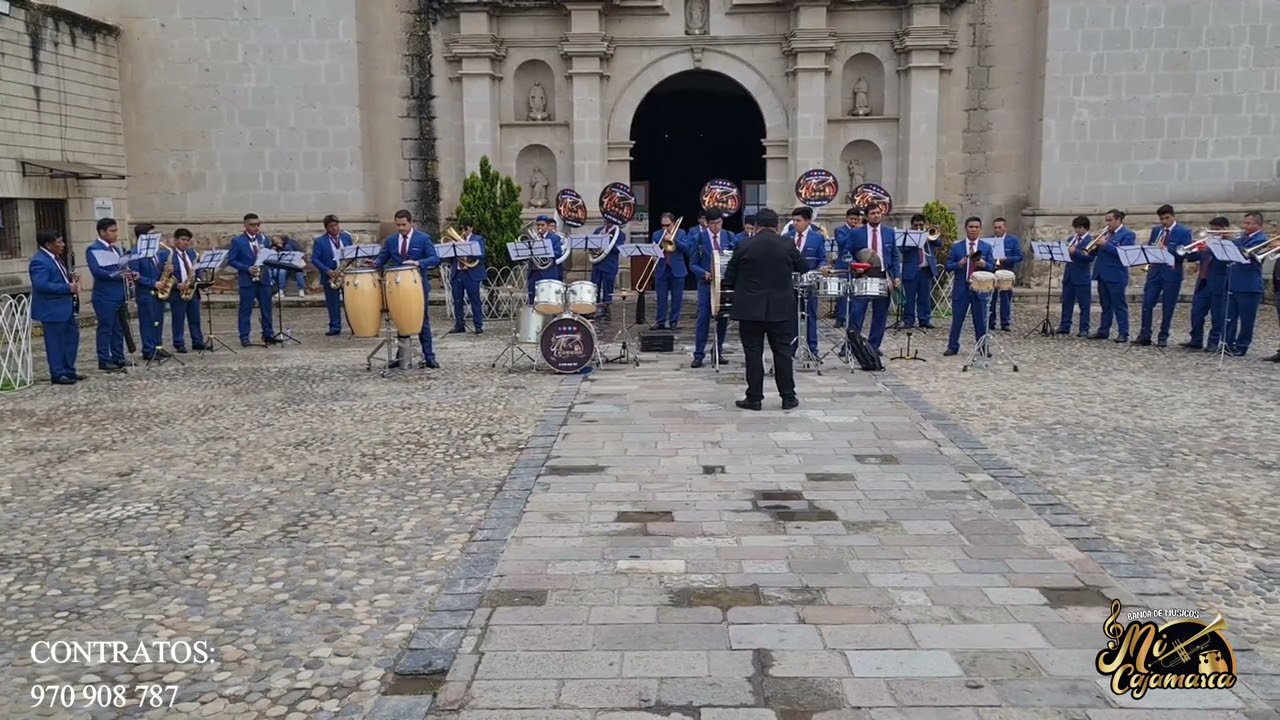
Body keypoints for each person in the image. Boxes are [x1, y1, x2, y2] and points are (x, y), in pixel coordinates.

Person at [724, 209, 808, 411]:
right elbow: (803, 267)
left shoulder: (744, 244)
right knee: (782, 353)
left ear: (757, 225)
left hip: (750, 308)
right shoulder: (787, 244)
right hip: (781, 308)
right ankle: (788, 397)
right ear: (776, 226)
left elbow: (729, 277)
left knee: (753, 353)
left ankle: (754, 398)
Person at [375, 209, 440, 368]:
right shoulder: (391, 240)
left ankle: (429, 356)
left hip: (417, 285)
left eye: (403, 225)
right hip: (397, 286)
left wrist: (418, 263)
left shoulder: (423, 238)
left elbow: (435, 258)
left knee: (422, 319)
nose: (401, 228)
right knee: (400, 318)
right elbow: (381, 259)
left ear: (411, 223)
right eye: (398, 225)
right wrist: (374, 263)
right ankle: (402, 355)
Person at [29, 230, 83, 384]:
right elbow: (41, 285)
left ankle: (68, 369)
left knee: (71, 338)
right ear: (48, 244)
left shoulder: (55, 258)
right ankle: (58, 373)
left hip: (65, 307)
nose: (63, 245)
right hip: (52, 309)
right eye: (59, 242)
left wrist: (70, 278)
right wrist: (67, 287)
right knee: (55, 342)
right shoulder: (39, 261)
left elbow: (56, 278)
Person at [1135, 204, 1192, 347]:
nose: (1164, 222)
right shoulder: (1156, 230)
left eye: (1167, 218)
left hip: (1172, 273)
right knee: (1147, 303)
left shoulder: (1183, 231)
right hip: (1155, 271)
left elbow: (1185, 253)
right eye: (1162, 219)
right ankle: (1145, 334)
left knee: (1168, 306)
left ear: (1173, 216)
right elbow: (1151, 247)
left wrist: (1167, 248)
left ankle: (1163, 336)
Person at [845, 204, 900, 352]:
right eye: (873, 213)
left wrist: (897, 275)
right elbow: (847, 253)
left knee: (880, 313)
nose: (876, 215)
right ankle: (851, 344)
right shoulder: (857, 233)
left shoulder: (889, 232)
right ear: (866, 216)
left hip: (882, 275)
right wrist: (854, 265)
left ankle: (873, 346)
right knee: (857, 311)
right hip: (863, 275)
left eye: (878, 213)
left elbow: (894, 255)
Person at [944, 217, 996, 356]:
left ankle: (983, 347)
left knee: (980, 320)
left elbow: (992, 268)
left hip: (979, 288)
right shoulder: (957, 247)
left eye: (976, 227)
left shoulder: (986, 247)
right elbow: (947, 266)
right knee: (957, 319)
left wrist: (984, 264)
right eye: (971, 227)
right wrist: (959, 264)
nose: (973, 229)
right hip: (962, 287)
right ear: (966, 228)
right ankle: (952, 346)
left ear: (980, 229)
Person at [689, 209, 735, 367]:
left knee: (722, 317)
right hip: (706, 285)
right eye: (713, 224)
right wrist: (704, 273)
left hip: (724, 284)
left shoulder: (729, 236)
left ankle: (717, 350)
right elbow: (693, 264)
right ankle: (698, 354)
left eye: (719, 223)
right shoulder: (699, 238)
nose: (716, 227)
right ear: (707, 223)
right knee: (703, 318)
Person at [85, 217, 131, 371]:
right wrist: (119, 274)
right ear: (102, 232)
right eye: (112, 231)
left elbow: (121, 267)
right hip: (105, 295)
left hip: (119, 293)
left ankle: (118, 356)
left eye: (116, 230)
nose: (115, 234)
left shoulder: (116, 249)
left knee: (119, 327)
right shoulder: (94, 249)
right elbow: (97, 272)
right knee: (106, 327)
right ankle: (104, 358)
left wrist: (129, 272)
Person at [227, 213, 279, 346]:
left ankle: (268, 334)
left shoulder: (263, 239)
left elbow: (267, 256)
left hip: (263, 278)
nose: (256, 227)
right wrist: (247, 268)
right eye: (252, 225)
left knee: (267, 308)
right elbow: (231, 260)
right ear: (245, 225)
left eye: (257, 225)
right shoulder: (238, 241)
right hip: (247, 280)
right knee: (245, 309)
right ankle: (244, 336)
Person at [1182, 216, 1230, 351]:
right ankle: (1196, 339)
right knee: (1196, 312)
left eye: (1217, 230)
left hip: (1219, 283)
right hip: (1203, 282)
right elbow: (1192, 257)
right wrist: (1192, 248)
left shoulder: (1228, 244)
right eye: (1212, 230)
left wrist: (1210, 248)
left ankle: (1213, 342)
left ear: (1225, 229)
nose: (1214, 233)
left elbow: (1225, 258)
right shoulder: (1207, 243)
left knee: (1217, 315)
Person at [783, 206, 826, 355]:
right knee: (791, 316)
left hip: (809, 282)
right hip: (790, 283)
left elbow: (822, 259)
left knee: (810, 315)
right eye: (794, 220)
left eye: (798, 220)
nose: (795, 223)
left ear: (808, 221)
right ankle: (791, 348)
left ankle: (812, 349)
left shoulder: (817, 238)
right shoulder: (787, 237)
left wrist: (822, 267)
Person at [1087, 209, 1135, 342]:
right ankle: (1103, 330)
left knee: (1119, 305)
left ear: (1118, 220)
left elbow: (1123, 253)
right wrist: (1093, 246)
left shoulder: (1128, 235)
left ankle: (1123, 333)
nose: (1107, 223)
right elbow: (1095, 254)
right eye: (1106, 220)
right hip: (1102, 274)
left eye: (1110, 220)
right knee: (1105, 305)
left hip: (1116, 275)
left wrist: (1105, 244)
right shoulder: (1106, 234)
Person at [1224, 211, 1267, 356]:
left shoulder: (1261, 239)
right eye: (1244, 223)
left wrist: (1232, 240)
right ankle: (1228, 343)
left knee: (1246, 319)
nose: (1244, 226)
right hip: (1234, 281)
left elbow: (1245, 253)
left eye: (1248, 223)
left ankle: (1242, 345)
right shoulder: (1242, 237)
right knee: (1230, 316)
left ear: (1258, 225)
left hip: (1249, 285)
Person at [128, 223, 172, 361]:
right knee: (147, 322)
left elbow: (160, 269)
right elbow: (135, 275)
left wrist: (168, 270)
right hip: (146, 293)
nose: (156, 238)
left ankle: (158, 346)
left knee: (158, 320)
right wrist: (153, 283)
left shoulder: (156, 252)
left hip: (159, 291)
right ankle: (148, 349)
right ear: (143, 237)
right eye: (152, 235)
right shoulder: (135, 253)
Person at [161, 228, 207, 352]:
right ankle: (179, 343)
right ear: (175, 240)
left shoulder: (192, 253)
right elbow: (164, 274)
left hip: (192, 290)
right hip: (177, 292)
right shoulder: (168, 255)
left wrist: (198, 280)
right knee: (178, 319)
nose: (185, 242)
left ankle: (197, 341)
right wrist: (176, 285)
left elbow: (197, 269)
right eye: (183, 240)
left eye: (187, 240)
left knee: (195, 318)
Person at [311, 214, 353, 336]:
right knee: (332, 303)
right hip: (331, 275)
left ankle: (354, 325)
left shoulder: (346, 237)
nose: (334, 228)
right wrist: (328, 271)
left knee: (350, 302)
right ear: (326, 228)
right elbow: (315, 259)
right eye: (331, 226)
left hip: (346, 273)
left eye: (336, 225)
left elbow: (351, 252)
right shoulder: (320, 241)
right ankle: (335, 326)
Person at [649, 212, 691, 330]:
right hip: (662, 269)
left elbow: (687, 249)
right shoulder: (656, 235)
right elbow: (654, 250)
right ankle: (660, 322)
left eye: (668, 225)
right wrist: (654, 255)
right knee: (661, 298)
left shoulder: (681, 233)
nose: (665, 228)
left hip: (677, 270)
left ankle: (674, 321)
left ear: (673, 223)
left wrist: (674, 239)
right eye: (663, 225)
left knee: (677, 298)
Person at [898, 213, 938, 329]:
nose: (918, 227)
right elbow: (902, 249)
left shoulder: (928, 235)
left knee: (924, 297)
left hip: (926, 270)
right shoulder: (907, 236)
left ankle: (924, 319)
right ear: (912, 225)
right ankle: (908, 320)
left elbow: (939, 243)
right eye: (916, 225)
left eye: (921, 225)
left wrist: (928, 237)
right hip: (911, 270)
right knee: (909, 298)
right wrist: (915, 242)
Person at [1056, 216, 1095, 337]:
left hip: (1082, 276)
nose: (1077, 230)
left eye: (1079, 228)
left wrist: (1075, 251)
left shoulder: (1090, 240)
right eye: (1076, 228)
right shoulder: (1071, 239)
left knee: (1084, 304)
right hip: (1069, 275)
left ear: (1086, 228)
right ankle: (1065, 325)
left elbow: (1090, 257)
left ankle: (1084, 328)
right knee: (1066, 302)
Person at [447, 218, 486, 334]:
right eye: (461, 229)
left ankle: (478, 325)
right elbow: (448, 257)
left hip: (471, 273)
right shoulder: (455, 239)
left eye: (466, 229)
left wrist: (465, 247)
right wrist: (450, 248)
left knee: (474, 299)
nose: (463, 231)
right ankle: (459, 324)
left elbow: (481, 255)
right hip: (458, 272)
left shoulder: (478, 239)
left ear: (471, 228)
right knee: (457, 299)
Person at [987, 217, 1023, 331]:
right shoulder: (989, 240)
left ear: (1005, 228)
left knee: (1005, 297)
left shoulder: (1012, 240)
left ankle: (1005, 322)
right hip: (992, 270)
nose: (997, 230)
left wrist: (1006, 258)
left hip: (1006, 270)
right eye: (995, 228)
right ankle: (990, 320)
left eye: (1000, 227)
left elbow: (1019, 256)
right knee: (991, 297)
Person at [832, 208, 864, 328]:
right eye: (851, 219)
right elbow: (841, 243)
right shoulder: (840, 230)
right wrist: (853, 232)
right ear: (847, 218)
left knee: (855, 293)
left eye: (856, 219)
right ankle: (840, 317)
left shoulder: (860, 231)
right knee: (843, 293)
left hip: (857, 264)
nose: (853, 221)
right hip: (843, 265)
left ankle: (851, 317)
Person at [526, 215, 566, 305]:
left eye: (542, 225)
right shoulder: (533, 239)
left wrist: (546, 251)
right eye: (538, 225)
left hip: (548, 272)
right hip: (534, 272)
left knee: (547, 298)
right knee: (532, 298)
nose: (540, 227)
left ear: (547, 226)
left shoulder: (554, 238)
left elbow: (558, 253)